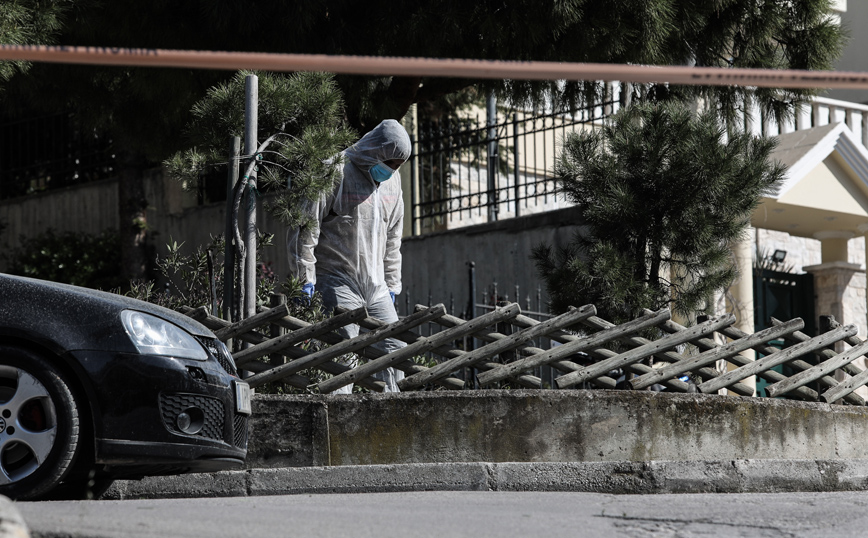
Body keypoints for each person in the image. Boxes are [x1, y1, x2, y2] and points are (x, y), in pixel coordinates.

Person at [287, 119, 411, 393]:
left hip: (376, 287)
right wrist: (304, 277)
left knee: (394, 354)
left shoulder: (392, 184)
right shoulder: (335, 171)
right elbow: (306, 226)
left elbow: (393, 237)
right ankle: (337, 422)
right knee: (343, 359)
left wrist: (392, 284)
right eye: (390, 162)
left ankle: (395, 425)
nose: (392, 170)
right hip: (337, 280)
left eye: (398, 165)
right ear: (376, 150)